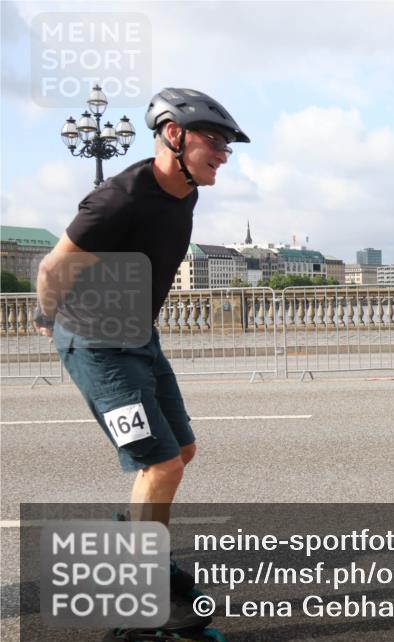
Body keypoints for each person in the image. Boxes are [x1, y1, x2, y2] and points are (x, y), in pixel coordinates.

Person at [33, 88, 249, 589]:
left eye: (227, 146)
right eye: (215, 141)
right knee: (162, 463)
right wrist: (48, 318)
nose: (223, 155)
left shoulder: (187, 192)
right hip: (95, 344)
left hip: (139, 338)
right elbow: (51, 269)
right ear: (174, 134)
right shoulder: (118, 199)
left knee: (182, 451)